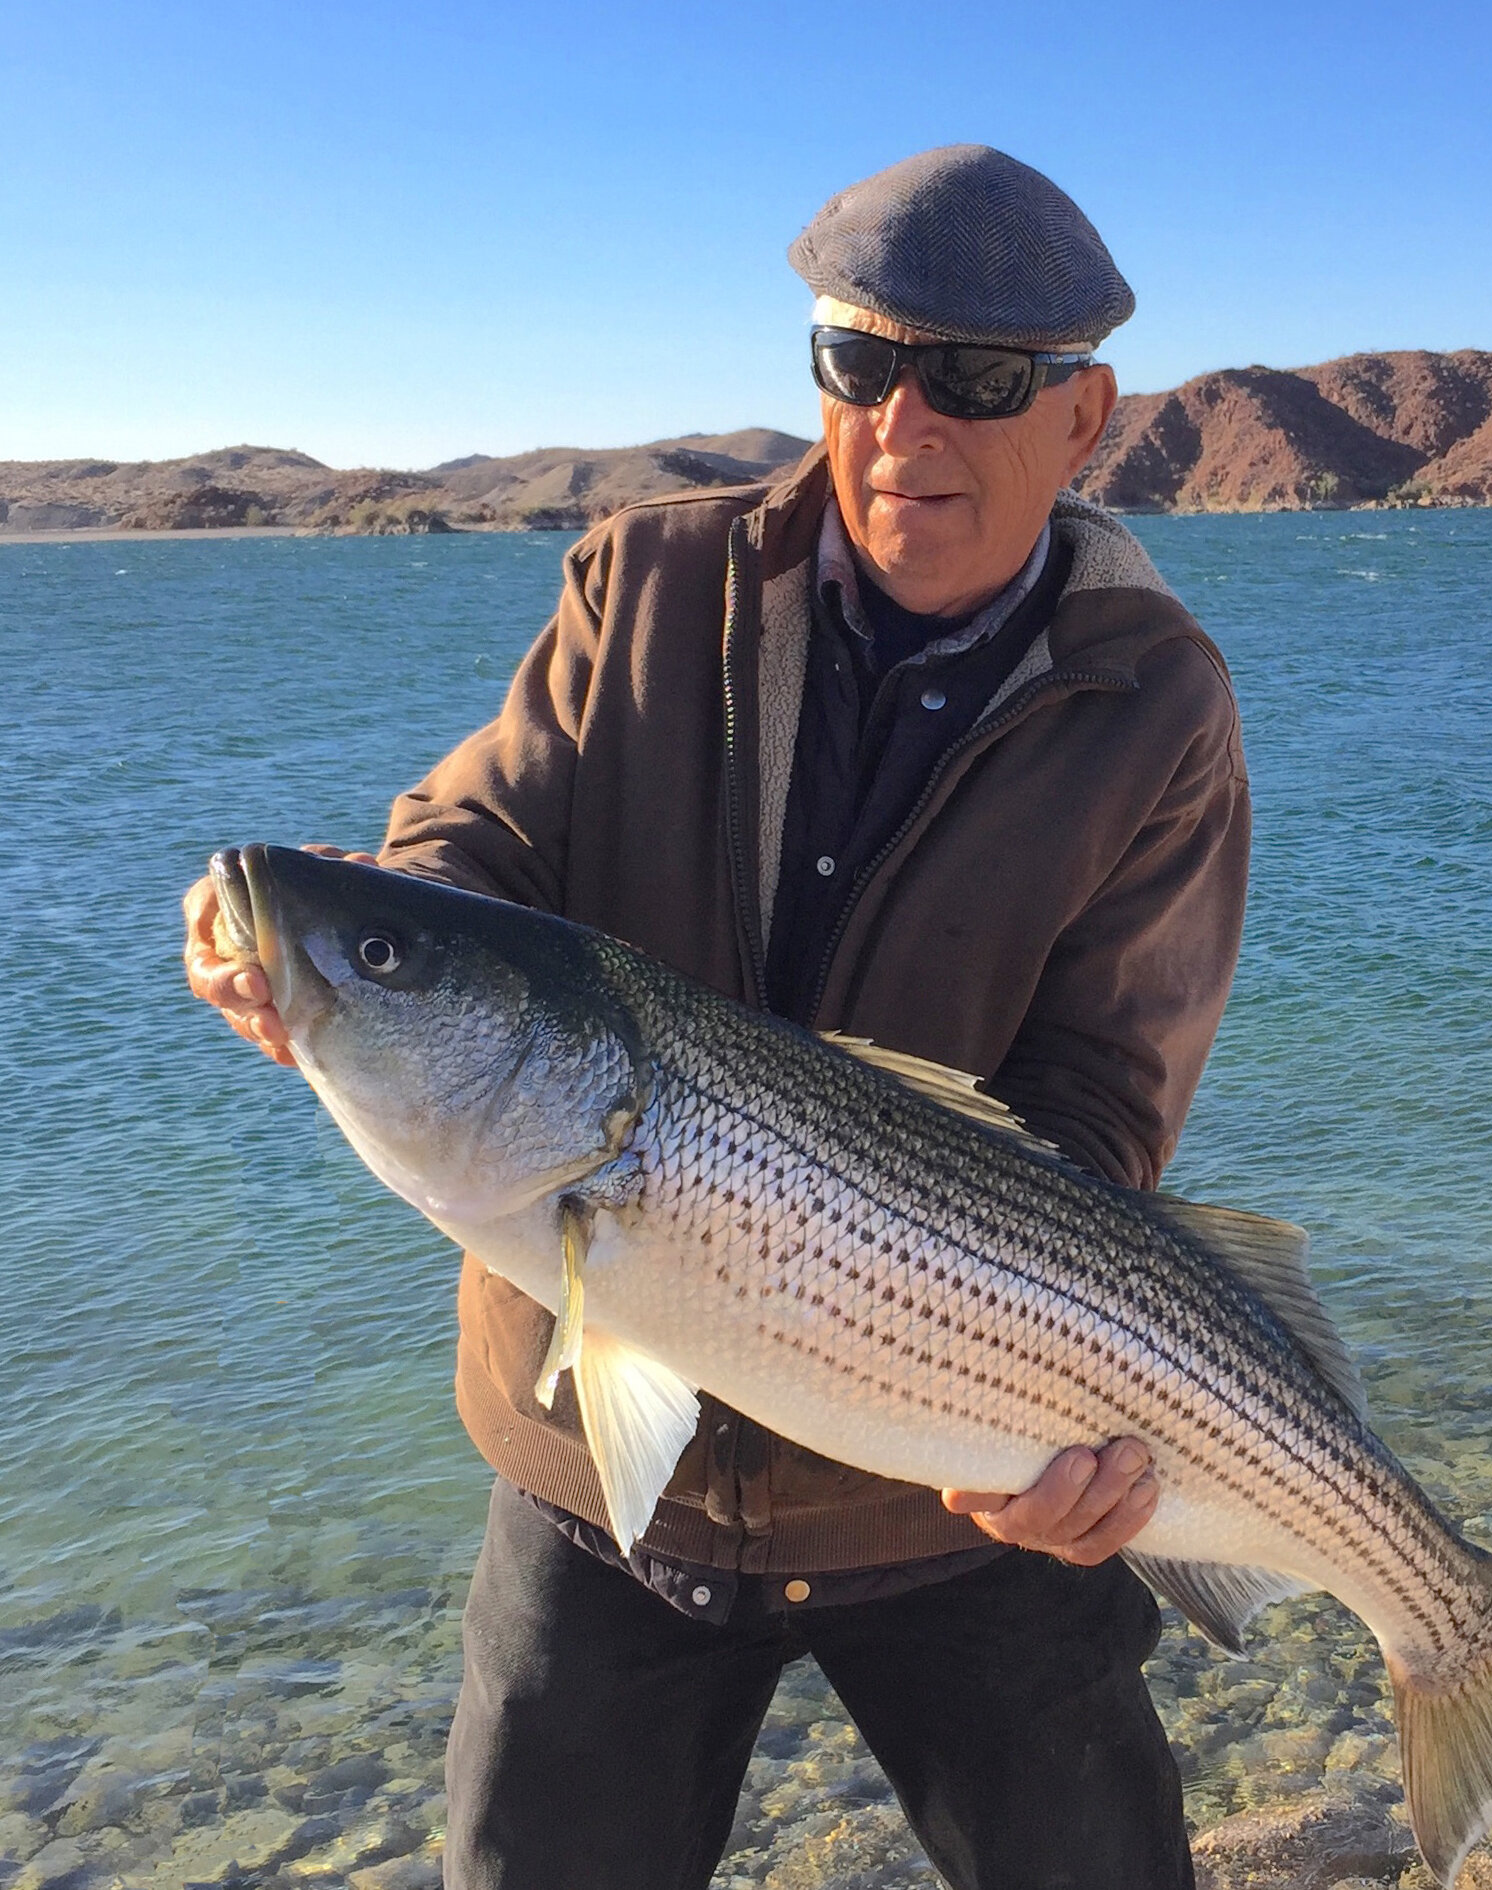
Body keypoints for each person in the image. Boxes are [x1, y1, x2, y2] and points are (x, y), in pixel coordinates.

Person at [185, 145, 1250, 1890]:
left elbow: (1097, 1100)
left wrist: (1055, 1427)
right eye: (861, 363)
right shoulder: (647, 583)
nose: (907, 420)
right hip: (599, 1482)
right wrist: (325, 917)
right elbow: (477, 847)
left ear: (1084, 420)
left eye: (976, 378)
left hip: (943, 1472)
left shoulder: (1157, 701)